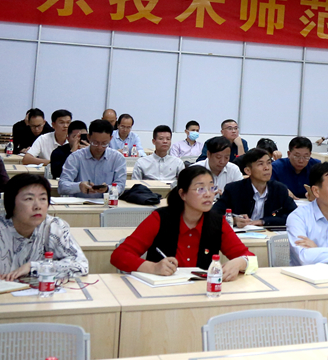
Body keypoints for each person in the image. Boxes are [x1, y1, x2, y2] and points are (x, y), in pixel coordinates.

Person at [111, 165, 252, 279]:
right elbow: (119, 255)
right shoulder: (160, 218)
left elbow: (250, 258)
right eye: (200, 189)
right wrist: (153, 267)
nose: (208, 194)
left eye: (212, 188)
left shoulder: (218, 222)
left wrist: (240, 263)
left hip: (201, 291)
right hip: (161, 292)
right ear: (183, 194)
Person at [214, 149, 298, 227]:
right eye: (260, 164)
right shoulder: (233, 189)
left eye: (269, 163)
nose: (267, 168)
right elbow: (214, 214)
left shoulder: (279, 189)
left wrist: (264, 221)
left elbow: (294, 215)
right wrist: (233, 220)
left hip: (269, 234)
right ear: (248, 171)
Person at [59, 119, 127, 198]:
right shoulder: (76, 157)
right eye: (95, 143)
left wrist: (108, 189)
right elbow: (62, 186)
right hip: (79, 203)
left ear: (110, 138)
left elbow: (121, 186)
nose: (99, 147)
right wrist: (79, 186)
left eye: (104, 143)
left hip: (105, 202)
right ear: (88, 137)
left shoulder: (117, 158)